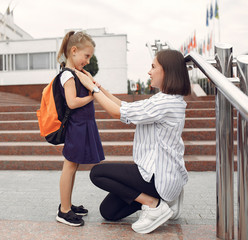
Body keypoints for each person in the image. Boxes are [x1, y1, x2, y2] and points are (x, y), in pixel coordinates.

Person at [75, 49, 191, 234]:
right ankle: (165, 201)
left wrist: (92, 88)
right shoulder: (166, 100)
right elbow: (124, 106)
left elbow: (117, 113)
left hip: (158, 177)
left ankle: (154, 204)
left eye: (153, 67)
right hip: (160, 174)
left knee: (98, 173)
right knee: (109, 212)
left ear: (167, 71)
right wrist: (98, 86)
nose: (149, 71)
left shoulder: (165, 103)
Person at [55, 31, 105, 227]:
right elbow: (72, 102)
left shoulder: (78, 73)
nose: (88, 60)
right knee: (69, 166)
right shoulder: (67, 75)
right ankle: (63, 211)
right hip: (76, 127)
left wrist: (91, 84)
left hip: (82, 125)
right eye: (86, 56)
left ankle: (67, 204)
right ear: (73, 51)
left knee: (72, 166)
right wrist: (93, 94)